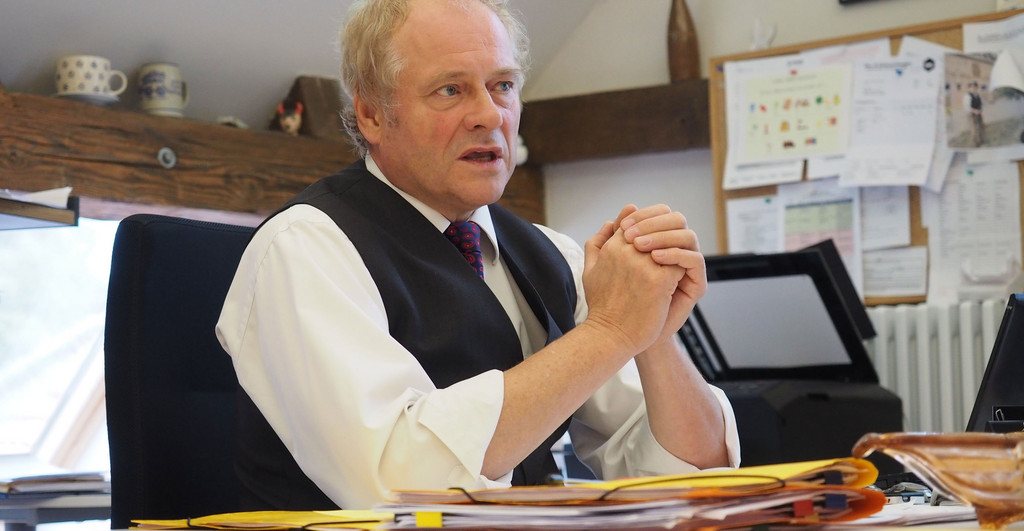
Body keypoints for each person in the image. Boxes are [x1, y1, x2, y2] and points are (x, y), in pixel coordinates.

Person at [216, 0, 739, 511]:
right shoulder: (306, 247)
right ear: (372, 115)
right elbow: (401, 484)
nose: (490, 115)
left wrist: (651, 330)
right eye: (451, 90)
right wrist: (610, 332)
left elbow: (696, 481)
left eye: (503, 85)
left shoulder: (552, 255)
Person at [966, 81, 986, 147]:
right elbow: (967, 107)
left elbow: (982, 104)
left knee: (981, 127)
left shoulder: (978, 95)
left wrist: (980, 110)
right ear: (969, 88)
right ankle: (975, 144)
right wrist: (974, 111)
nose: (974, 89)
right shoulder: (967, 96)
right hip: (971, 115)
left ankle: (982, 141)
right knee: (974, 129)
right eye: (972, 87)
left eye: (975, 87)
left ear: (977, 88)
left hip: (979, 113)